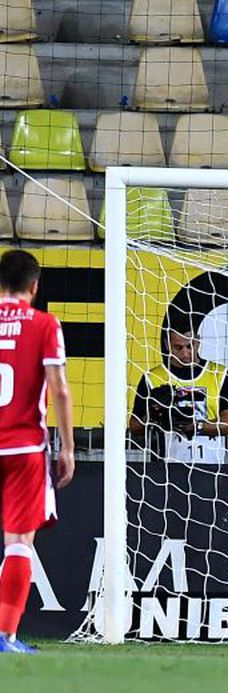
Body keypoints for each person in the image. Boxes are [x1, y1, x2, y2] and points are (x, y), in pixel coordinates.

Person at [0, 250, 74, 654]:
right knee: (18, 542)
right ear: (34, 286)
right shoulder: (45, 324)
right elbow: (59, 387)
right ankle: (5, 636)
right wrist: (69, 446)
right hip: (24, 446)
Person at [129, 323, 228, 463]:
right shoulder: (153, 378)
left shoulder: (219, 374)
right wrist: (153, 416)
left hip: (212, 467)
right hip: (167, 468)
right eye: (178, 347)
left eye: (190, 346)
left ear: (198, 342)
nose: (185, 353)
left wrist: (196, 426)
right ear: (167, 345)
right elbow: (134, 426)